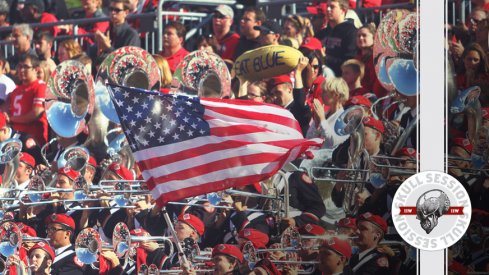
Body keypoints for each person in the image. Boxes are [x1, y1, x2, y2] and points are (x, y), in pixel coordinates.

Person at [6, 53, 48, 145]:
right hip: (15, 137)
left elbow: (36, 113)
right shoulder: (15, 90)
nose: (21, 70)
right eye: (19, 66)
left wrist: (12, 119)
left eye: (25, 67)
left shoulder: (40, 87)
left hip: (33, 139)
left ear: (36, 69)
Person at [315, 0, 357, 76]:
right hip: (320, 76)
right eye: (327, 6)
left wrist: (325, 58)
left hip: (341, 78)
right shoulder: (321, 33)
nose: (328, 9)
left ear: (343, 10)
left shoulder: (351, 31)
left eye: (332, 7)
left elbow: (349, 61)